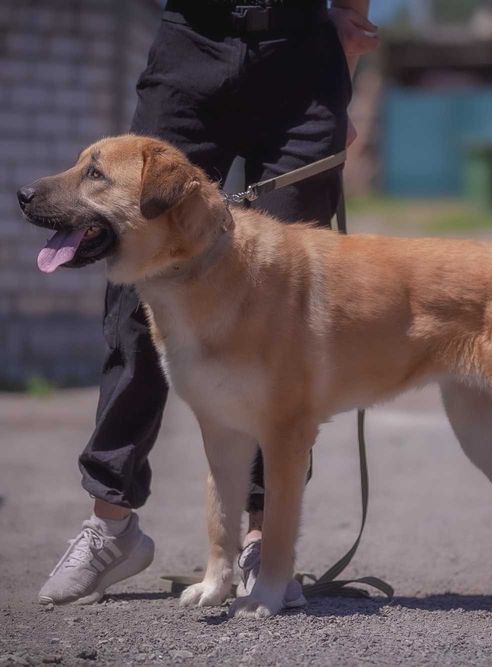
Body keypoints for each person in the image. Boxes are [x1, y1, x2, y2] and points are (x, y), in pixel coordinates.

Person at [38, 0, 377, 606]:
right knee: (137, 281)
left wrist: (342, 61)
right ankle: (111, 523)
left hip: (303, 54)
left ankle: (258, 539)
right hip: (191, 43)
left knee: (287, 307)